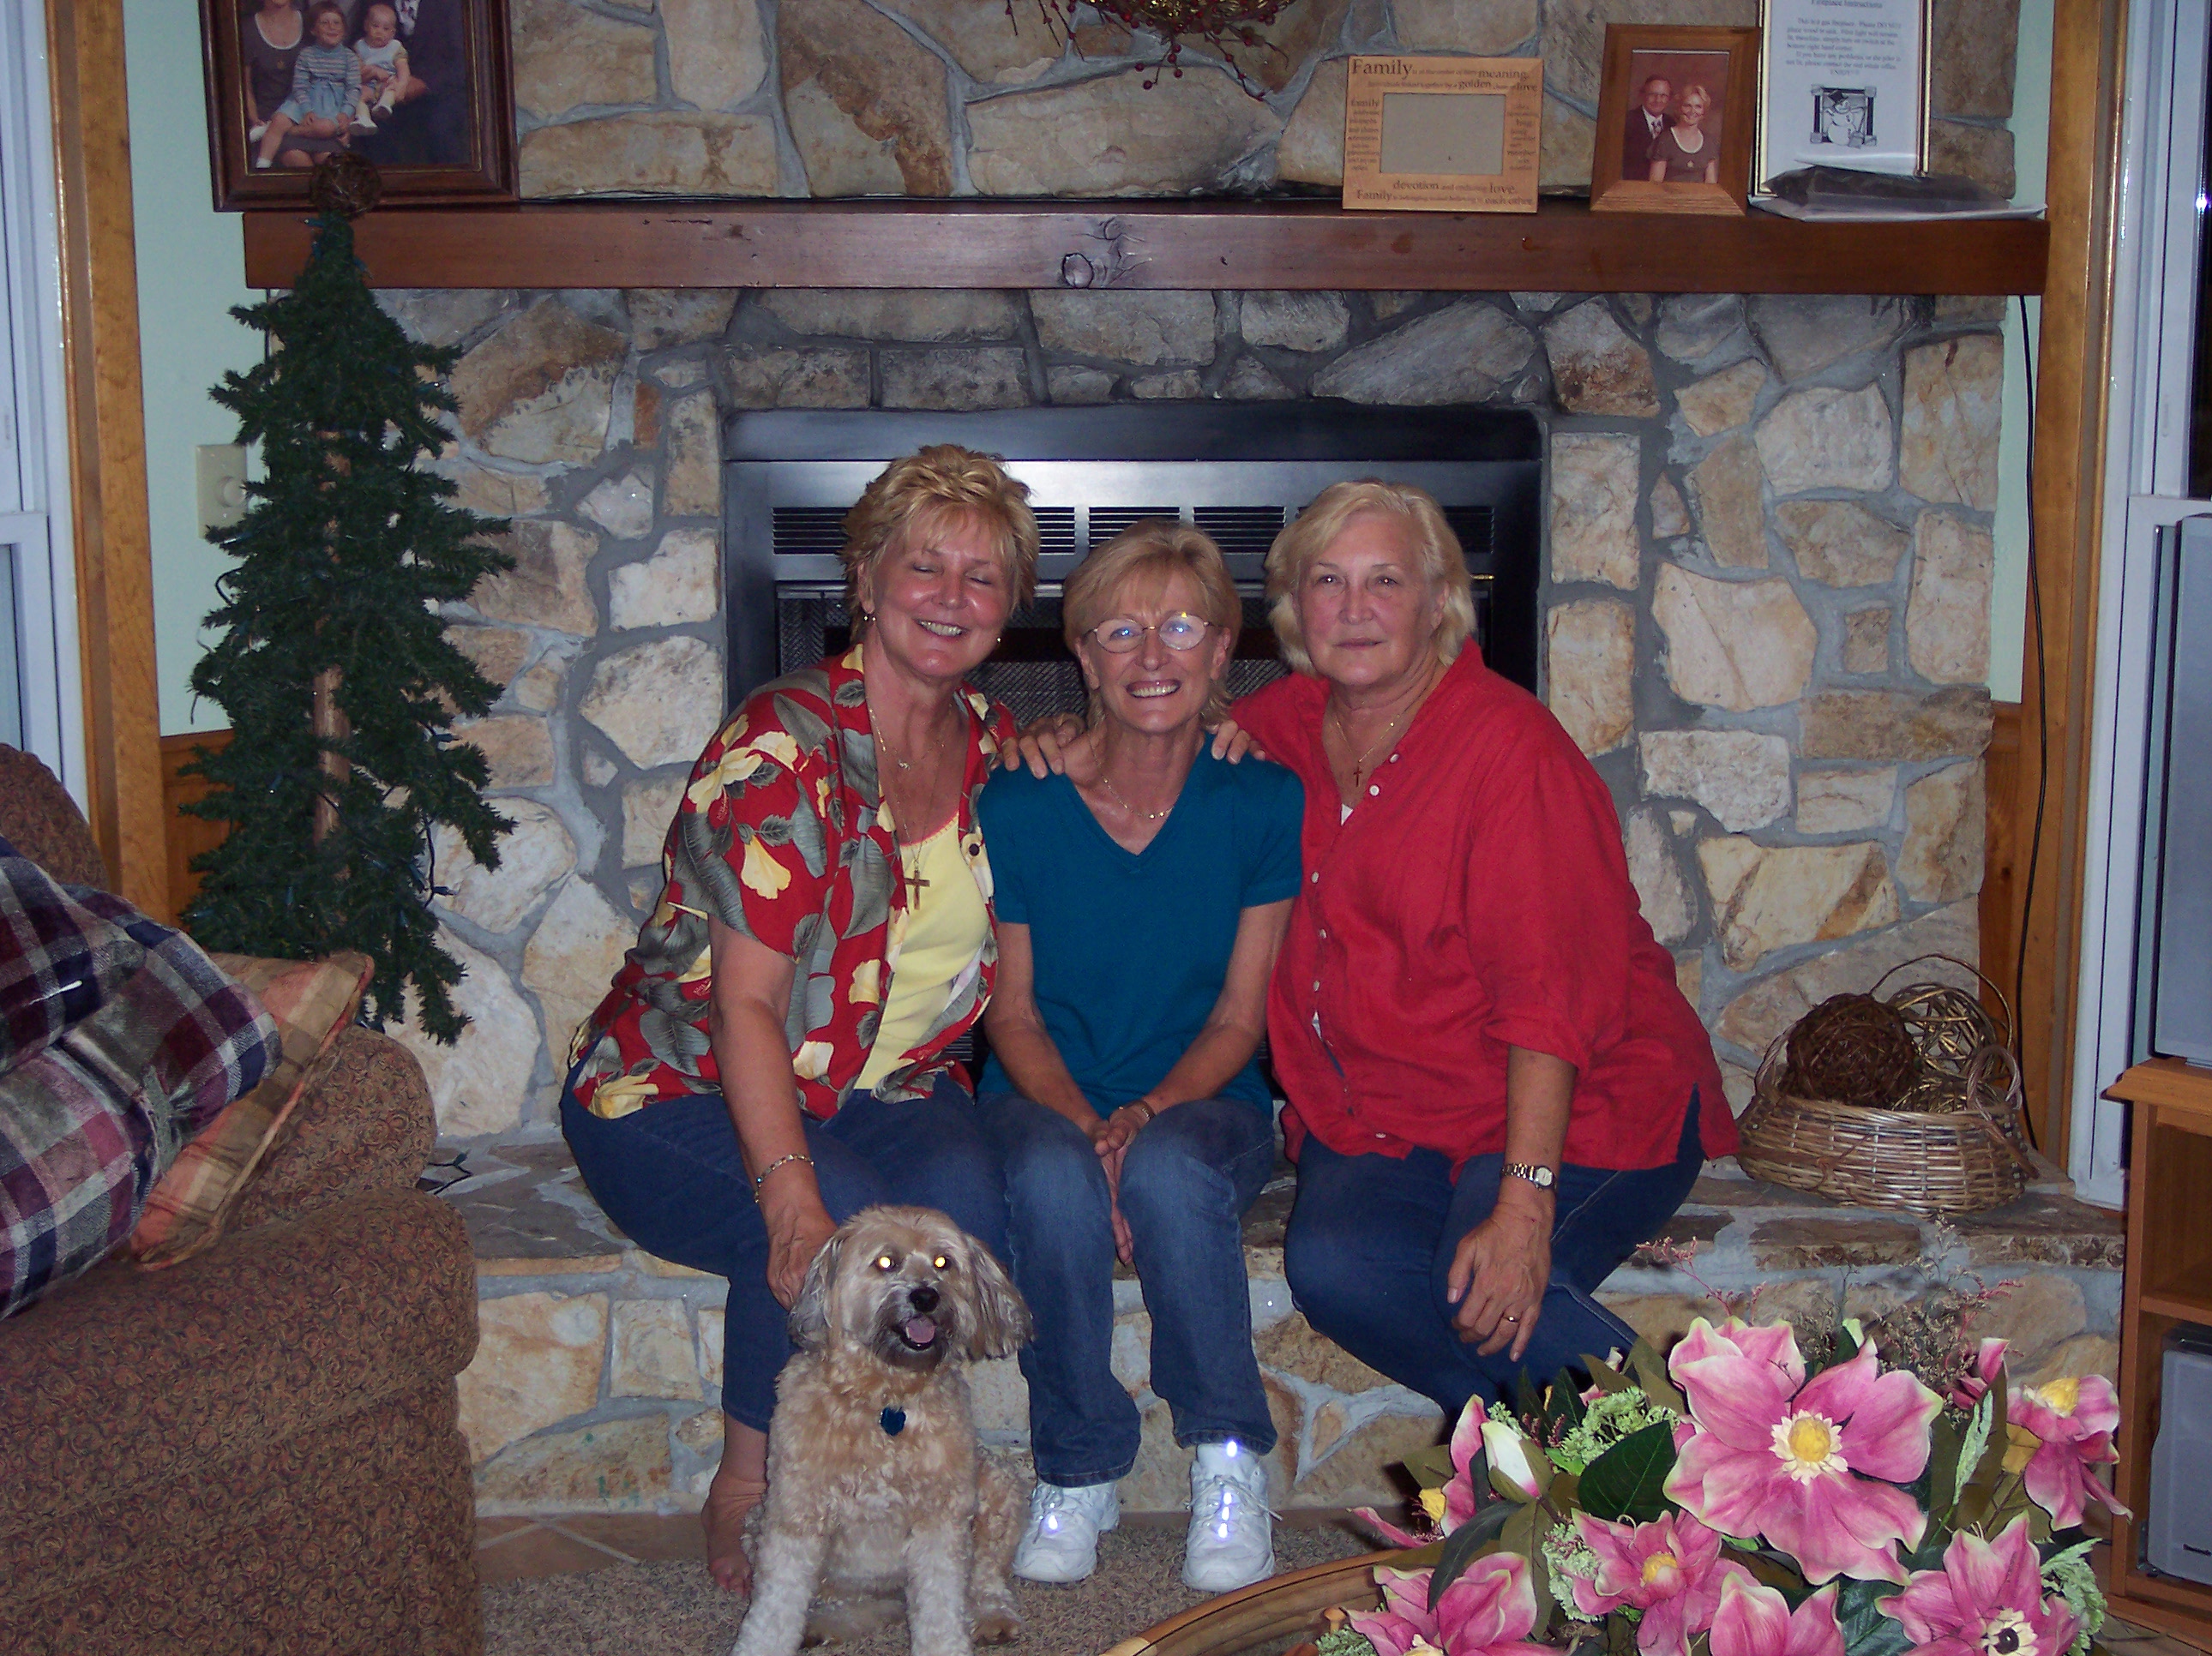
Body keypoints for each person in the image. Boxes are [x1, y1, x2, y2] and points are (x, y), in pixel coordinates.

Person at [562, 446, 1038, 1595]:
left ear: (1010, 607)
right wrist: (787, 1197)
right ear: (865, 579)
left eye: (982, 577)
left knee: (966, 1220)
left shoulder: (998, 745)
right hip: (676, 1081)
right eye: (924, 566)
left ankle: (907, 1467)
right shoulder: (784, 746)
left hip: (889, 1084)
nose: (952, 597)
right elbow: (745, 1004)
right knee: (827, 1236)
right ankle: (752, 1486)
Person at [1227, 480, 1739, 1422]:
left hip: (1582, 1095)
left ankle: (1735, 1471)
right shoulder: (1278, 731)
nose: (1354, 607)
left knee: (1484, 1288)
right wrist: (1054, 739)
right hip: (1392, 1111)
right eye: (1328, 581)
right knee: (1337, 1269)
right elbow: (1153, 747)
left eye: (1385, 580)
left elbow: (1550, 1002)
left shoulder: (1512, 752)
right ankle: (1552, 1469)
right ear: (1295, 607)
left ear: (1438, 602)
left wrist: (1524, 1206)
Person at [977, 524, 1301, 1594]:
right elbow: (1013, 1015)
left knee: (1167, 1170)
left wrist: (1145, 1119)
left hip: (1206, 1096)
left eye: (1182, 629)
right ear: (1083, 654)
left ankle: (1227, 1455)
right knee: (1048, 1175)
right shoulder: (1018, 803)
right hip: (1043, 1092)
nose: (1152, 656)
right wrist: (1088, 1128)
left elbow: (1239, 1020)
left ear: (1223, 651)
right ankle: (1078, 1467)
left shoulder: (1263, 800)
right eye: (1120, 631)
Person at [255, 1, 359, 168]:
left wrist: (346, 113)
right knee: (280, 120)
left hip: (331, 105)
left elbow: (354, 89)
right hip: (306, 101)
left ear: (344, 30)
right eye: (324, 23)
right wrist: (307, 109)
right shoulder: (306, 54)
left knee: (326, 127)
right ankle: (262, 165)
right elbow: (299, 86)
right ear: (313, 30)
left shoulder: (350, 58)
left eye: (336, 23)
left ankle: (290, 131)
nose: (331, 27)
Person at [352, 3, 411, 128]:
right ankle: (363, 118)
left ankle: (384, 106)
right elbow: (357, 70)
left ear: (392, 33)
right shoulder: (360, 46)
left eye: (386, 29)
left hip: (387, 82)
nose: (379, 32)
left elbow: (403, 69)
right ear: (366, 26)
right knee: (357, 95)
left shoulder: (395, 47)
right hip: (368, 84)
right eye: (375, 26)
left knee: (392, 88)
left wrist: (402, 84)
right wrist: (371, 71)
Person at [1649, 85, 1721, 184]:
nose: (1692, 111)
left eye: (1698, 106)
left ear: (1703, 111)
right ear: (1679, 108)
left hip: (1700, 195)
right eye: (1687, 106)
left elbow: (1711, 184)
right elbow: (1654, 184)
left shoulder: (1709, 142)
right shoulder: (1665, 140)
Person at [1623, 74, 1674, 180]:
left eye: (1663, 95)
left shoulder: (1672, 124)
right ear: (1643, 95)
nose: (1658, 100)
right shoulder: (1626, 121)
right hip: (1633, 185)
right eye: (1653, 94)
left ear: (1669, 99)